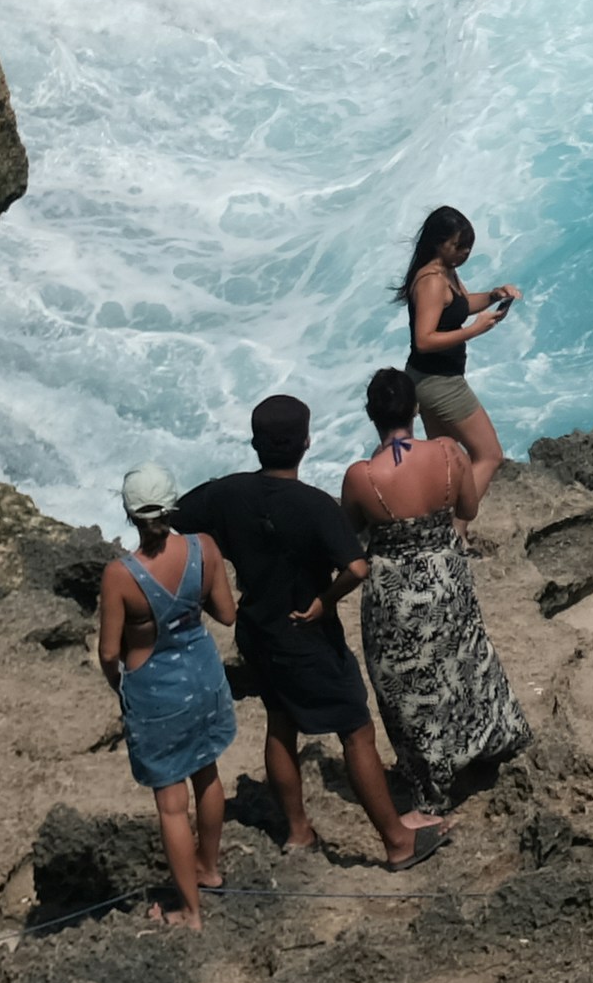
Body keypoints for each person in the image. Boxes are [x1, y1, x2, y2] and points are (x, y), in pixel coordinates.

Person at [173, 393, 427, 869]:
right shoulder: (314, 505)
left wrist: (212, 583)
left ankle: (297, 831)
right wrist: (323, 601)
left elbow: (179, 523)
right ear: (307, 443)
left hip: (257, 627)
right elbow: (356, 567)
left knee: (281, 722)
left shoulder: (226, 493)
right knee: (355, 730)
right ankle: (397, 841)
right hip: (305, 633)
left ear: (254, 443)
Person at [343, 366, 527, 800]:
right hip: (447, 575)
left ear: (372, 414)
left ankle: (432, 779)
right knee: (465, 662)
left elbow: (350, 529)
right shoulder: (448, 453)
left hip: (394, 590)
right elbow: (468, 507)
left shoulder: (362, 476)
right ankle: (485, 744)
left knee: (408, 687)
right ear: (416, 408)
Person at [94, 465, 244, 917]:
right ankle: (209, 869)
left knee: (172, 806)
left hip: (156, 692)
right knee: (208, 775)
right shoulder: (204, 548)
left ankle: (190, 913)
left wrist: (117, 686)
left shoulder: (120, 576)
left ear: (129, 513)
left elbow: (108, 652)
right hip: (203, 677)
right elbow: (227, 614)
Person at [399, 207, 518, 448]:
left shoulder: (446, 271)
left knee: (447, 454)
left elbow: (461, 305)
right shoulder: (432, 281)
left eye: (468, 247)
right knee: (489, 455)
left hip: (430, 377)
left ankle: (447, 487)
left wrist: (495, 295)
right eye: (459, 246)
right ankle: (468, 488)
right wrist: (474, 330)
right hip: (438, 381)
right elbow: (424, 340)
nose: (465, 253)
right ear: (438, 243)